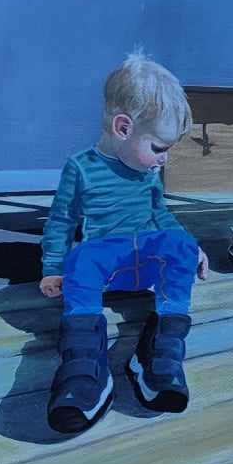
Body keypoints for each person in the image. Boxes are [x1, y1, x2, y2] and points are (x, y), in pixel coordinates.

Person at [39, 51, 208, 436]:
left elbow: (160, 215)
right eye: (160, 147)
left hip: (145, 264)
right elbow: (61, 221)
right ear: (122, 127)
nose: (164, 160)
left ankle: (158, 354)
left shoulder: (147, 171)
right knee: (81, 256)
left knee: (179, 242)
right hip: (104, 268)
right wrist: (51, 268)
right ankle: (86, 367)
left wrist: (189, 246)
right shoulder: (81, 168)